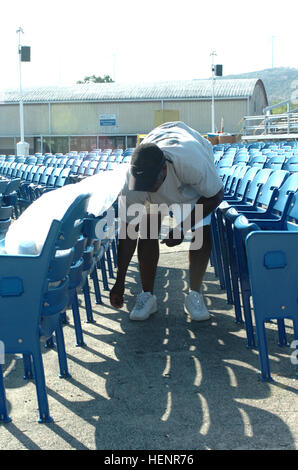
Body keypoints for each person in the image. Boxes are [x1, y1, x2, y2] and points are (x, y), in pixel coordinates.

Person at [109, 121, 224, 321]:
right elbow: (128, 232)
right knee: (147, 229)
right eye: (142, 184)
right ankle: (147, 296)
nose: (147, 188)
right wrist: (120, 280)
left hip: (188, 184)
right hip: (159, 141)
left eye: (150, 184)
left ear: (163, 170)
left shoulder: (192, 163)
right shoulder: (131, 183)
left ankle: (195, 294)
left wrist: (182, 228)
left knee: (200, 230)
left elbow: (215, 195)